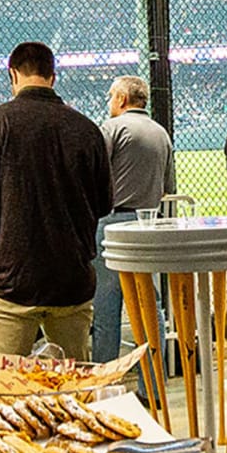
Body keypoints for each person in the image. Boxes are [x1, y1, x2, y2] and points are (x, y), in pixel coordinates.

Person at [0, 43, 111, 358]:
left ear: (12, 74)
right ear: (53, 77)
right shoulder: (87, 129)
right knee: (75, 389)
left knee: (7, 391)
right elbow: (104, 204)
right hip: (72, 281)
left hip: (11, 284)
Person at [90, 76, 171, 363]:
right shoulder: (161, 133)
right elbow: (166, 186)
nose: (109, 101)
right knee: (151, 307)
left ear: (122, 99)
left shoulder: (111, 128)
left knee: (106, 308)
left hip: (113, 223)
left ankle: (105, 381)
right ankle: (154, 385)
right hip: (149, 222)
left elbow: (94, 178)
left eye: (111, 96)